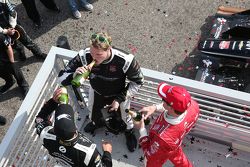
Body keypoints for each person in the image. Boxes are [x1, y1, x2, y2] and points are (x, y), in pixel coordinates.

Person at [58, 32, 144, 152]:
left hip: (118, 95)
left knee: (125, 117)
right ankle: (96, 124)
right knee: (93, 113)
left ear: (109, 49)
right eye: (92, 53)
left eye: (98, 54)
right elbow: (61, 78)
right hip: (97, 92)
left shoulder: (125, 60)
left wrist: (119, 99)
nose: (94, 58)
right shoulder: (84, 55)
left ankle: (129, 133)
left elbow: (138, 82)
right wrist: (74, 74)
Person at [35, 87, 113, 167]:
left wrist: (53, 102)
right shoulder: (89, 152)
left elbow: (39, 119)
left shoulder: (45, 135)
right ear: (74, 127)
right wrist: (107, 152)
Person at [138, 83, 200, 167]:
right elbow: (174, 106)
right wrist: (155, 107)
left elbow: (149, 153)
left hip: (163, 145)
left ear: (171, 108)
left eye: (163, 99)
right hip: (175, 142)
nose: (162, 100)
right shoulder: (193, 106)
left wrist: (142, 130)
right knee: (181, 160)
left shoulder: (162, 138)